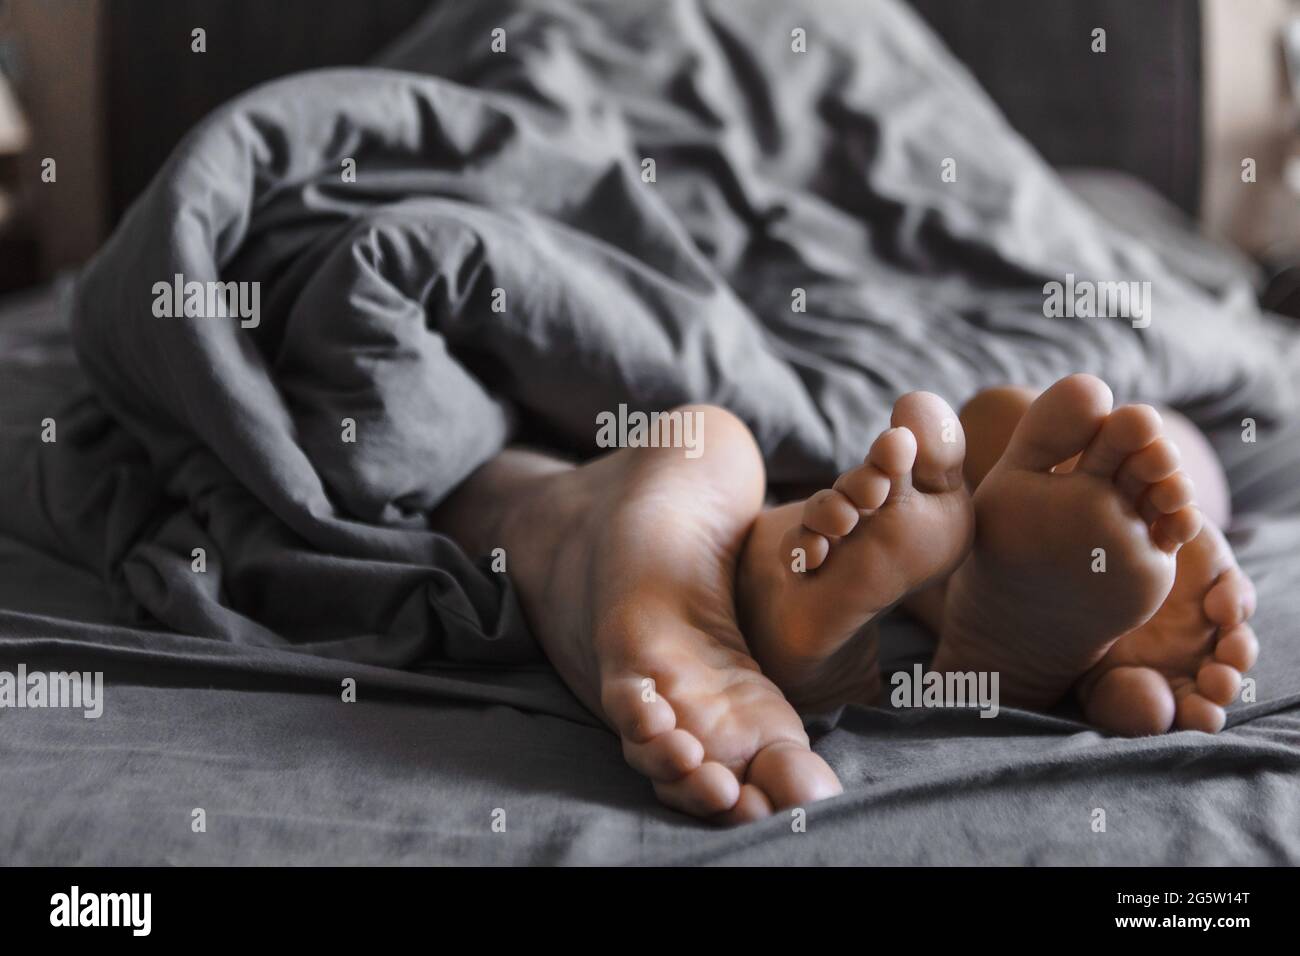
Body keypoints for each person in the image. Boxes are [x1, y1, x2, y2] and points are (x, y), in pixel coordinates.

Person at [431, 374, 1257, 824]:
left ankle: (662, 546)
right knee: (1077, 418)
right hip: (847, 375)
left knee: (1096, 422)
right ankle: (699, 555)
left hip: (774, 406)